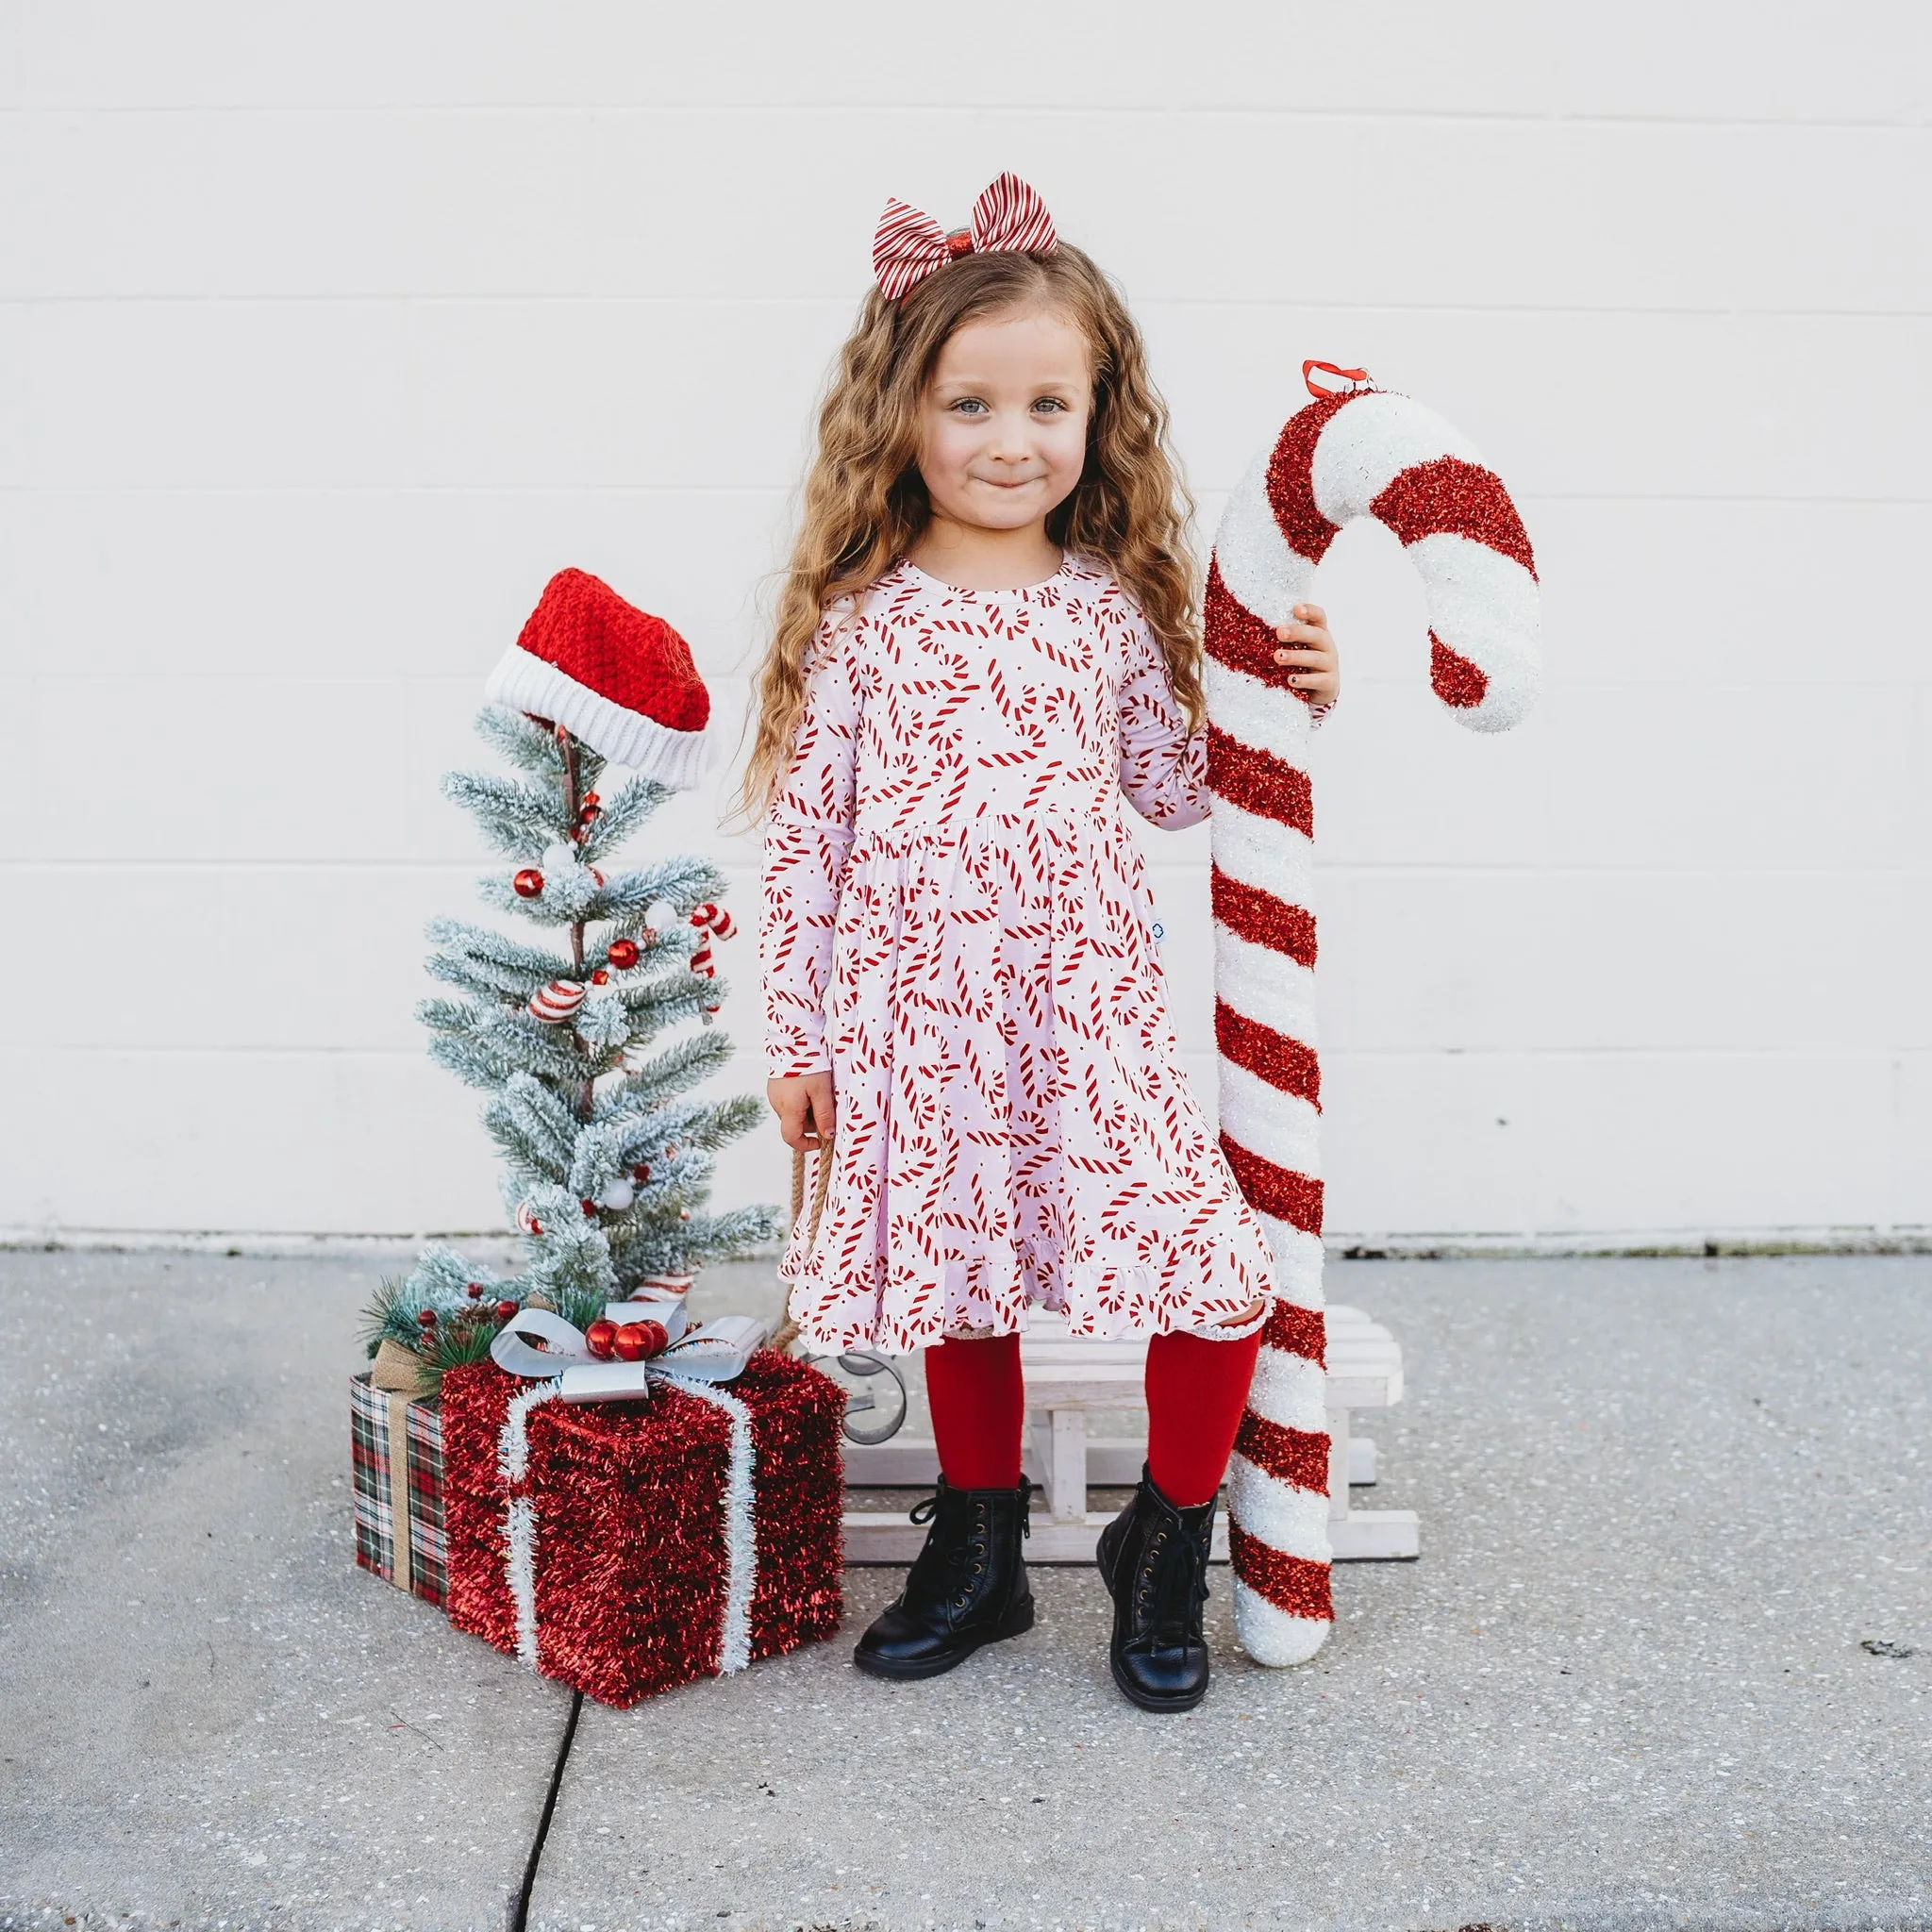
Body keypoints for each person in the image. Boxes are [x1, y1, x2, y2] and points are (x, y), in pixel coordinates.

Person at [741, 175, 1340, 1712]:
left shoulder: (1108, 612)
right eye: (972, 403)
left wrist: (1287, 693)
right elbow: (808, 848)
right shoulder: (864, 620)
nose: (1013, 440)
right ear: (903, 413)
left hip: (1090, 1010)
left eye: (1049, 404)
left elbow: (1175, 784)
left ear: (1099, 416)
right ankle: (983, 1554)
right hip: (918, 1013)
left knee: (1212, 1276)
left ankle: (1168, 1545)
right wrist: (798, 1042)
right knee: (962, 1278)